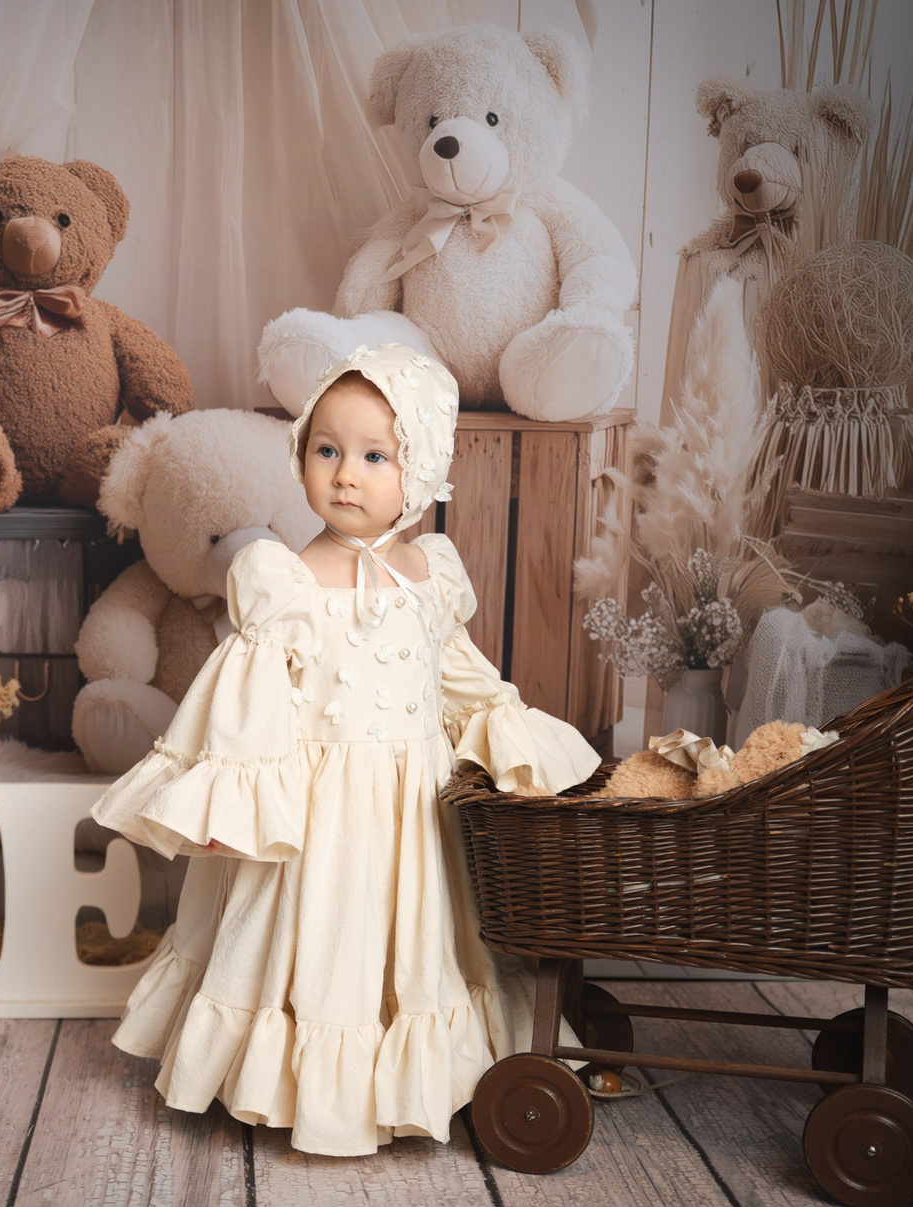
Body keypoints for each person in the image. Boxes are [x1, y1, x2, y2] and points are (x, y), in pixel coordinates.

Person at [92, 343, 600, 1156]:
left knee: (415, 947)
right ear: (301, 456)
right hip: (319, 813)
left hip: (414, 813)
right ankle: (295, 1083)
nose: (345, 476)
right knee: (317, 942)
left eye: (374, 456)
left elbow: (460, 676)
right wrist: (236, 797)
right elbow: (247, 698)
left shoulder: (430, 576)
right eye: (326, 450)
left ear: (420, 469)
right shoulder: (284, 581)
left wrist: (512, 741)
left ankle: (415, 1075)